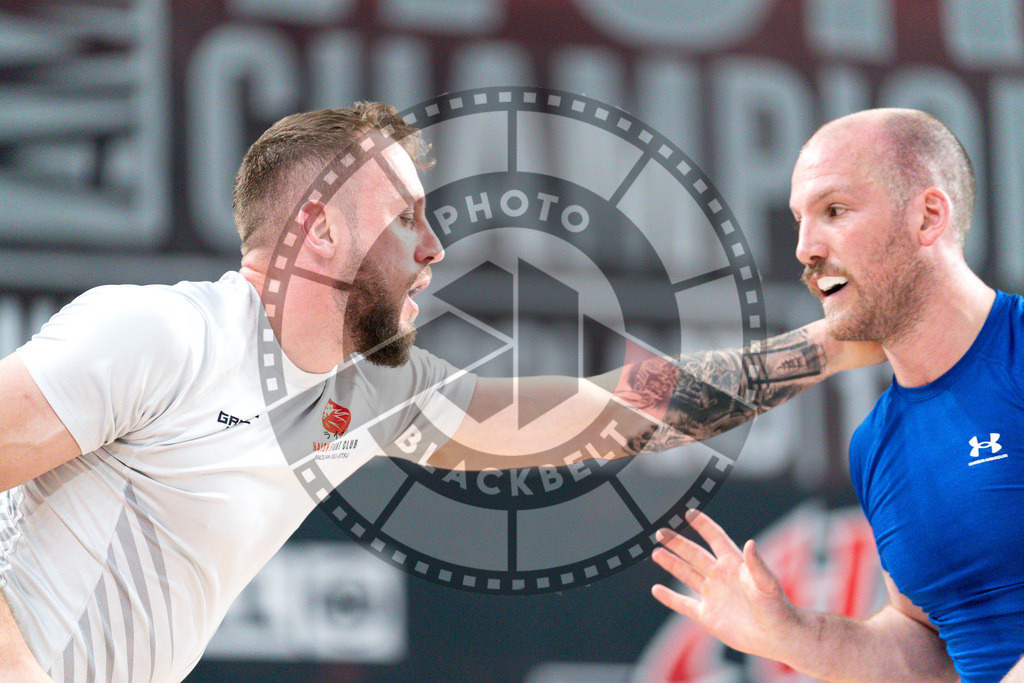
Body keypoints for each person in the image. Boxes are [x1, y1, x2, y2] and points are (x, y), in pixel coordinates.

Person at [0, 102, 878, 681]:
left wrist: (827, 346)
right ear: (320, 226)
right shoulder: (164, 335)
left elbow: (612, 410)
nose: (433, 247)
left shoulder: (375, 390)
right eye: (407, 216)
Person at [651, 108, 1024, 682]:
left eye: (835, 211)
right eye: (801, 220)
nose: (804, 247)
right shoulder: (876, 443)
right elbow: (930, 648)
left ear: (928, 217)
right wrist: (792, 636)